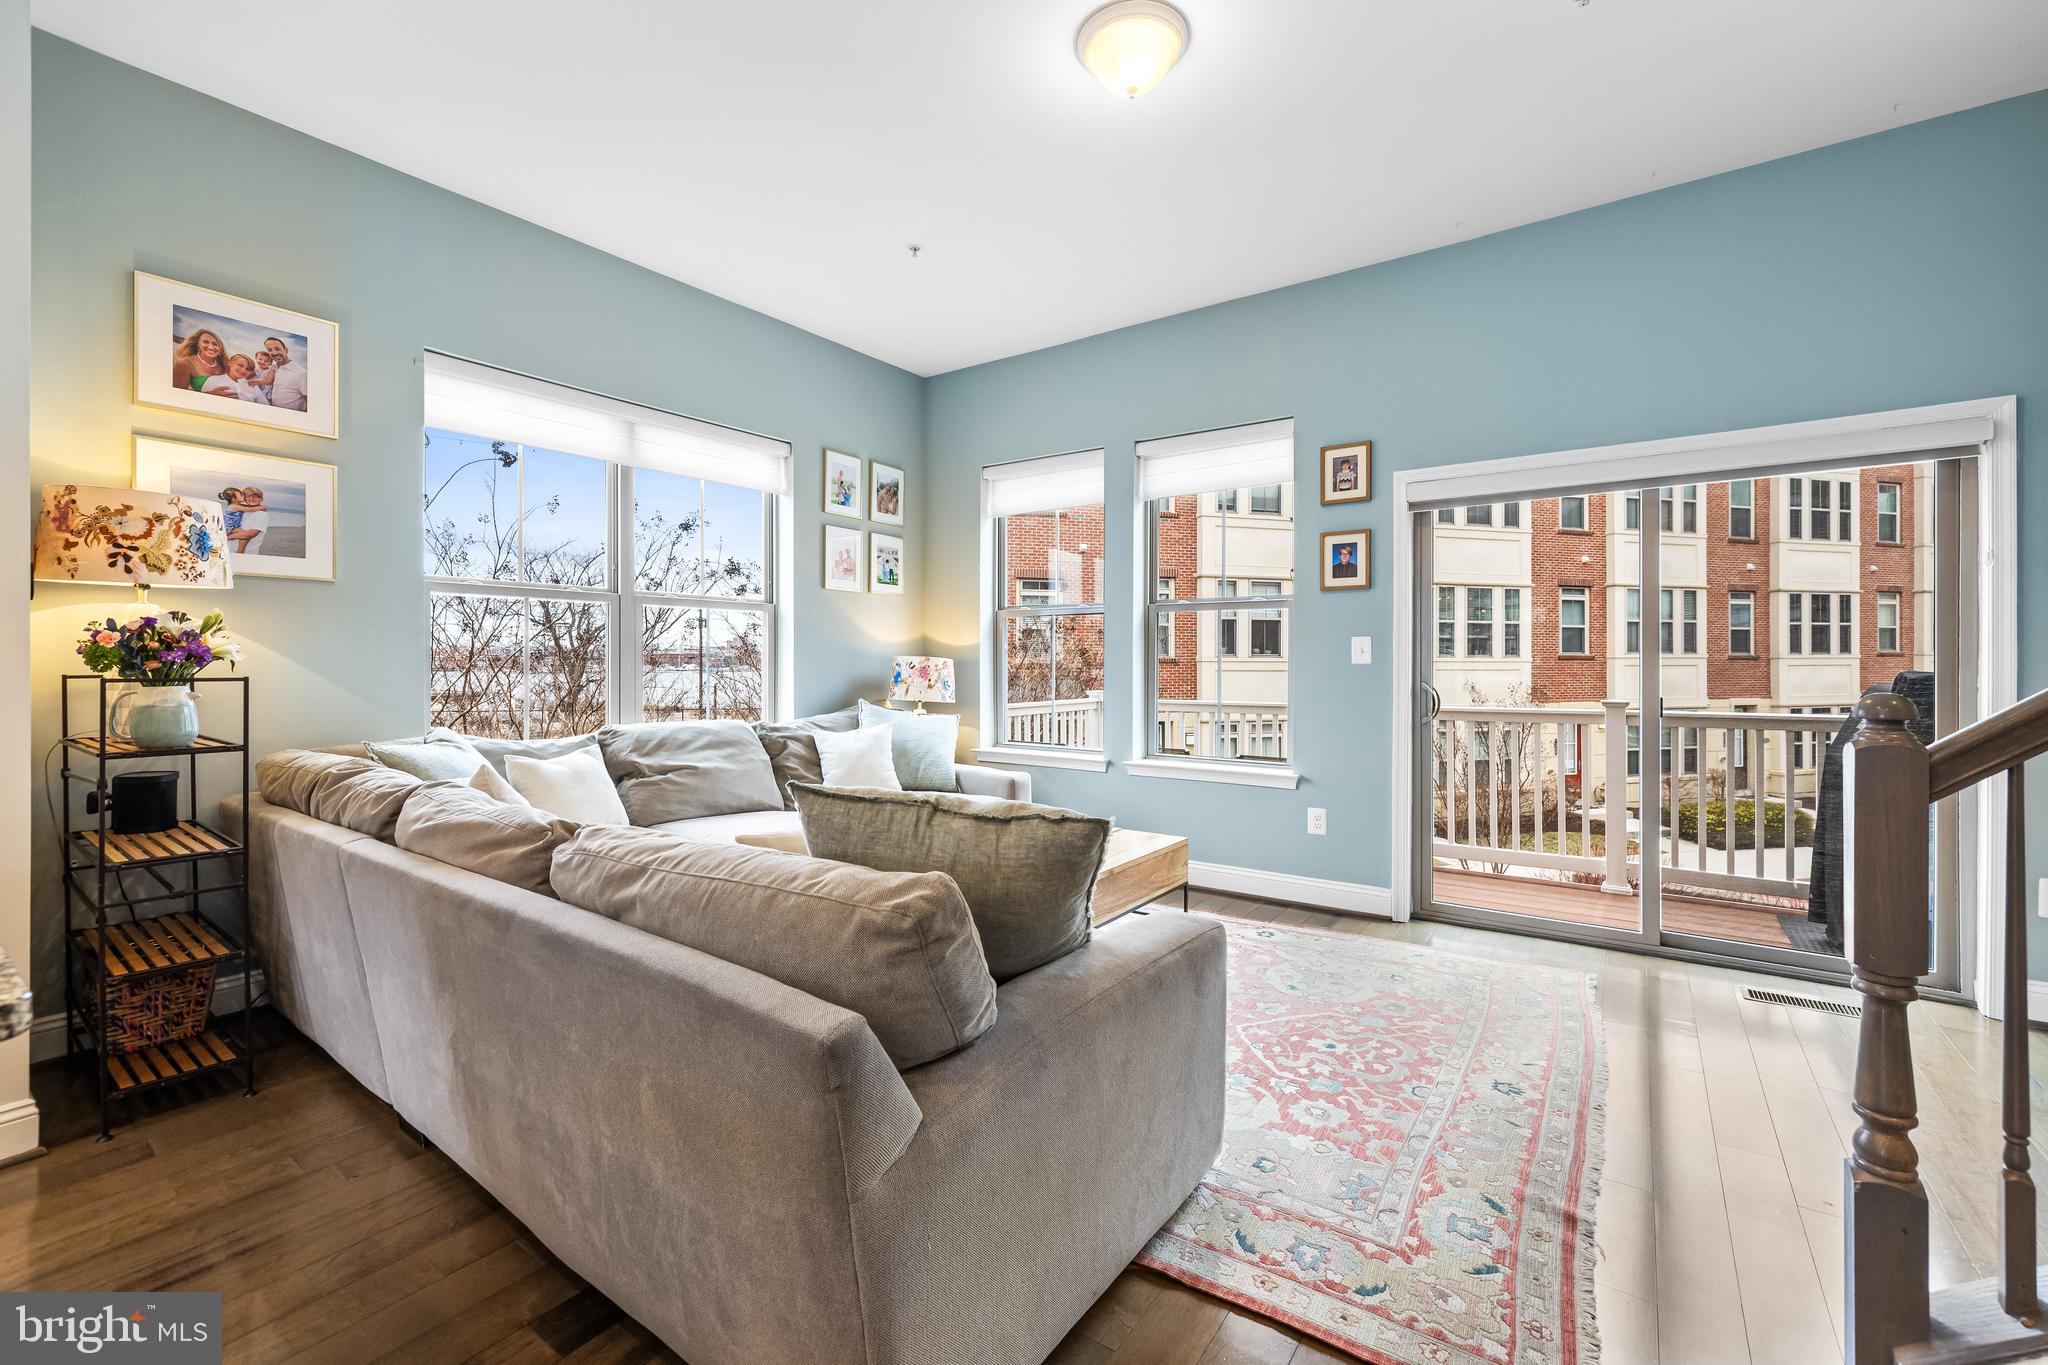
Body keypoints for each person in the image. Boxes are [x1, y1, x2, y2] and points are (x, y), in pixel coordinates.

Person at [199, 354, 272, 405]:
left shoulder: (251, 385)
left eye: (248, 369)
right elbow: (199, 401)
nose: (243, 370)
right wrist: (212, 394)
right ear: (230, 363)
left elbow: (265, 405)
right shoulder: (213, 380)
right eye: (240, 365)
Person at [260, 337, 309, 412]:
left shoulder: (301, 373)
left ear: (286, 350)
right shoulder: (272, 369)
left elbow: (311, 405)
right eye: (269, 350)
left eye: (277, 349)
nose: (274, 353)